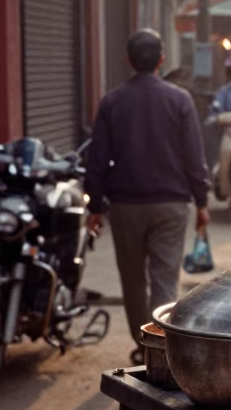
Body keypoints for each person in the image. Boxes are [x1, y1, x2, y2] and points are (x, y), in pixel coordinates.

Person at [84, 30, 210, 365]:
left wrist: (95, 206)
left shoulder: (112, 101)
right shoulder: (180, 99)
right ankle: (161, 348)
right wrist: (202, 202)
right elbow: (193, 157)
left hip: (125, 207)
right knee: (165, 281)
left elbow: (96, 160)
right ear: (162, 60)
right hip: (170, 205)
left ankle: (143, 344)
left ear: (128, 61)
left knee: (133, 280)